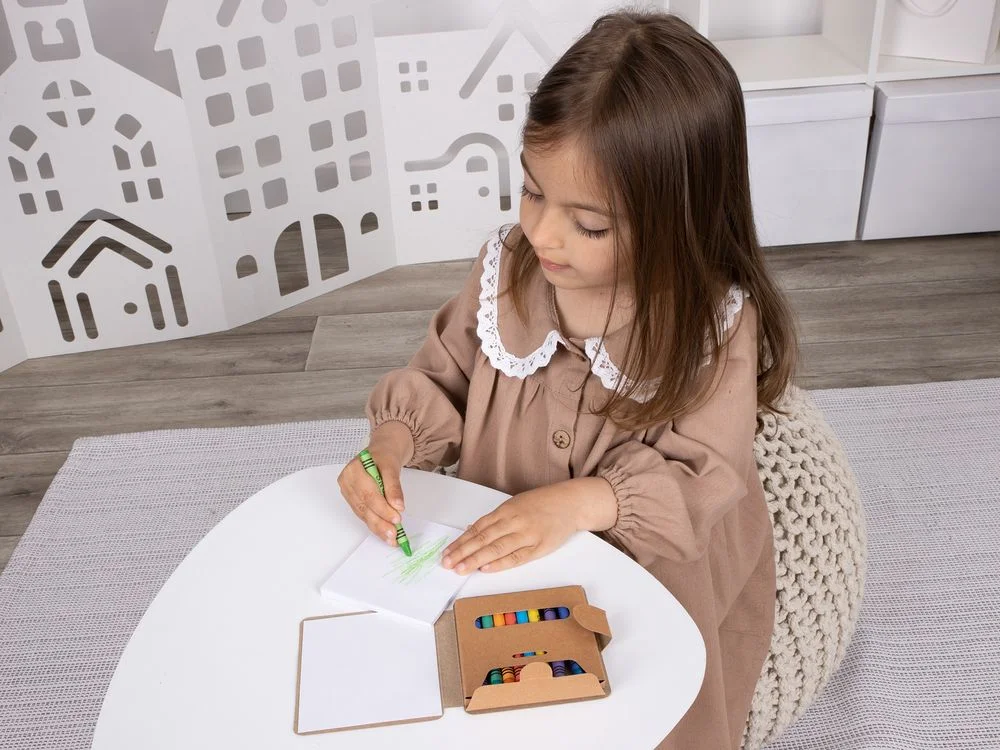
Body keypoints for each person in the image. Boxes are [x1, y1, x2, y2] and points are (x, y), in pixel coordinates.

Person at [337, 10, 797, 748]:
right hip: (509, 553)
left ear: (678, 220)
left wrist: (584, 502)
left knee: (640, 712)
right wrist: (390, 446)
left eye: (590, 225)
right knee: (486, 697)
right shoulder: (507, 271)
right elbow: (444, 379)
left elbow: (705, 476)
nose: (543, 233)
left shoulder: (712, 326)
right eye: (531, 191)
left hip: (652, 570)